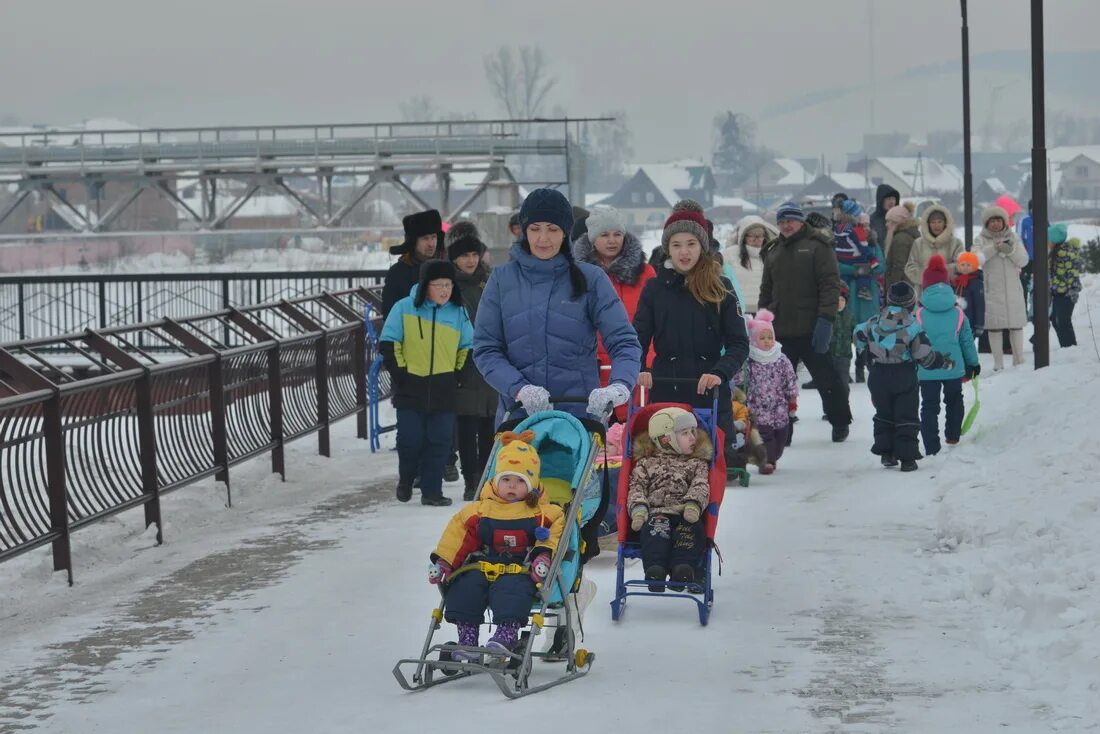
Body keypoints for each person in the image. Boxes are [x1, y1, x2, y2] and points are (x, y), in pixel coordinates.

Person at [473, 188, 640, 570]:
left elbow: (624, 342)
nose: (543, 238)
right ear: (523, 231)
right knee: (513, 507)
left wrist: (618, 386)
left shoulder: (590, 279)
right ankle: (510, 591)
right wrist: (519, 387)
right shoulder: (502, 281)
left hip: (576, 418)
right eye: (535, 228)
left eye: (553, 229)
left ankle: (564, 587)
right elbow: (485, 349)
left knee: (566, 510)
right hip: (520, 420)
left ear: (566, 233)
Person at [633, 199, 750, 476]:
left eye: (691, 244)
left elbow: (739, 343)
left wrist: (719, 373)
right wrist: (640, 369)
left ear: (702, 246)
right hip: (665, 390)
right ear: (667, 248)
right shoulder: (654, 288)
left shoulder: (721, 286)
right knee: (664, 472)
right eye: (676, 245)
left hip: (708, 392)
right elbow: (637, 338)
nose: (684, 252)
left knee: (706, 478)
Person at [428, 431, 564, 659]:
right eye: (506, 480)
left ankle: (506, 634)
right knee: (463, 586)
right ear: (496, 480)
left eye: (521, 481)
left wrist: (542, 557)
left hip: (520, 567)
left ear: (532, 485)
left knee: (512, 591)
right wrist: (444, 562)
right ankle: (467, 638)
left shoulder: (544, 513)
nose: (512, 486)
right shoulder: (480, 510)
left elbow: (551, 536)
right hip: (482, 564)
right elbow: (457, 536)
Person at [379, 260, 474, 506]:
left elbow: (468, 347)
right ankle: (407, 479)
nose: (445, 290)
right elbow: (389, 342)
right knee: (410, 440)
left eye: (449, 284)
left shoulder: (458, 312)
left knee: (440, 442)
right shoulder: (404, 308)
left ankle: (432, 491)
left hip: (444, 387)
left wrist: (457, 375)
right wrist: (401, 373)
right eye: (439, 284)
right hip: (410, 386)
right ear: (425, 286)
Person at [758, 201, 852, 442]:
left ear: (801, 221)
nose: (786, 225)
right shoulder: (773, 251)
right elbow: (766, 289)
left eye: (790, 220)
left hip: (812, 327)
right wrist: (761, 321)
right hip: (780, 330)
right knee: (778, 386)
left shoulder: (818, 247)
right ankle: (782, 429)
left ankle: (840, 421)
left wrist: (826, 319)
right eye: (781, 221)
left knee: (827, 380)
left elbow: (830, 285)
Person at [855, 281, 953, 472]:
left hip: (878, 375)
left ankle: (886, 453)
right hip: (903, 375)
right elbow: (924, 356)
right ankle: (907, 458)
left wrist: (868, 351)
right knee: (906, 415)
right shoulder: (914, 327)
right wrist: (941, 361)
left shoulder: (873, 322)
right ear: (911, 303)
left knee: (883, 413)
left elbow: (858, 334)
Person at [572, 207, 657, 405]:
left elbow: (656, 320)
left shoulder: (645, 273)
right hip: (592, 367)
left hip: (634, 365)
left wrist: (649, 362)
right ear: (593, 239)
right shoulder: (577, 275)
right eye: (605, 234)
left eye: (617, 234)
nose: (612, 240)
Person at [627, 407, 711, 591]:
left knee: (690, 532)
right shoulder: (646, 463)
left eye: (693, 432)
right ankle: (655, 569)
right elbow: (637, 486)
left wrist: (693, 504)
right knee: (655, 532)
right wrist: (639, 508)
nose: (692, 438)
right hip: (656, 512)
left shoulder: (696, 463)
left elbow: (700, 484)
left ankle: (682, 568)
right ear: (666, 439)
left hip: (685, 512)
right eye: (685, 433)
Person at [448, 231, 499, 501]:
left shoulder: (489, 282)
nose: (470, 260)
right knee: (466, 428)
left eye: (473, 254)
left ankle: (487, 478)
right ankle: (471, 480)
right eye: (463, 256)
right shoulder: (450, 287)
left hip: (490, 361)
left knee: (490, 428)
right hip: (464, 363)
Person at [915, 255, 981, 456]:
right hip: (953, 368)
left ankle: (931, 446)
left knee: (929, 405)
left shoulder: (918, 314)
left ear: (925, 287)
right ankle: (952, 435)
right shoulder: (958, 313)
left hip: (926, 368)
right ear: (946, 283)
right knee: (954, 400)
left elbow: (912, 342)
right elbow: (966, 342)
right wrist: (973, 363)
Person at [741, 310, 798, 475]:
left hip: (779, 406)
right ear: (754, 339)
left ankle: (774, 456)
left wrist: (792, 398)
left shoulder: (781, 358)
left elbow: (790, 379)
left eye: (770, 337)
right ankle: (767, 461)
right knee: (764, 436)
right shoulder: (750, 360)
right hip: (758, 407)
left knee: (781, 437)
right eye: (762, 338)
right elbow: (741, 379)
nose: (767, 342)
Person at [976, 205, 1029, 370]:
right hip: (992, 290)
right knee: (995, 327)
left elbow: (1023, 260)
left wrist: (1010, 250)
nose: (995, 224)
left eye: (998, 220)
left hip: (1013, 289)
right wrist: (994, 248)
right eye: (992, 221)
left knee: (1016, 325)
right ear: (987, 223)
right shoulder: (981, 239)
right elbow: (976, 260)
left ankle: (1019, 360)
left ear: (1004, 222)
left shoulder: (1014, 238)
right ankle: (998, 363)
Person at [381, 209, 445, 319]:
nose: (431, 244)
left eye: (434, 237)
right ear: (413, 241)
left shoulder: (447, 268)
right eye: (425, 238)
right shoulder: (397, 273)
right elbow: (390, 313)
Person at [723, 215, 779, 313]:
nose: (756, 239)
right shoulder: (730, 254)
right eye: (752, 235)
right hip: (737, 310)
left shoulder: (773, 255)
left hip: (766, 313)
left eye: (760, 235)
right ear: (744, 237)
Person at [905, 204, 965, 293]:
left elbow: (962, 266)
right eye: (933, 222)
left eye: (939, 221)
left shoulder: (955, 243)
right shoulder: (918, 243)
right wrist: (928, 277)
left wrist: (939, 273)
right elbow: (910, 267)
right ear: (927, 224)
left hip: (948, 291)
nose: (936, 225)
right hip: (924, 293)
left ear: (945, 223)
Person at [1048, 223, 1083, 348]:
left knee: (1063, 321)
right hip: (1059, 292)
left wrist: (1055, 285)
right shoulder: (1056, 253)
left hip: (1067, 293)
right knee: (1055, 320)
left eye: (1049, 239)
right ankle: (1066, 346)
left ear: (1055, 240)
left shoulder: (1064, 254)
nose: (1047, 242)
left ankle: (1070, 347)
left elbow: (1069, 275)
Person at [883, 202, 919, 290]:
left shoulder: (900, 239)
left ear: (898, 222)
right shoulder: (908, 234)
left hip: (901, 288)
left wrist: (893, 288)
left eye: (890, 221)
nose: (886, 224)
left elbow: (899, 267)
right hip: (909, 284)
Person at [953, 251, 985, 344]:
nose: (965, 268)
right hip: (955, 322)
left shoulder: (977, 283)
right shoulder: (956, 281)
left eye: (968, 265)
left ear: (974, 266)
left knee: (967, 345)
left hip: (970, 322)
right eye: (962, 265)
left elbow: (980, 305)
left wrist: (979, 324)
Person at [830, 285, 855, 387]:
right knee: (831, 384)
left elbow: (855, 333)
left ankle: (845, 401)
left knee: (843, 384)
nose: (839, 303)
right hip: (830, 354)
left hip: (845, 355)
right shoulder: (829, 316)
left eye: (842, 300)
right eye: (837, 300)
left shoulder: (850, 316)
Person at [1017, 200, 1035, 317]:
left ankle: (1036, 310)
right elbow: (1018, 238)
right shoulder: (1024, 220)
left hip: (1041, 260)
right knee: (1023, 285)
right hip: (1026, 260)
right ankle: (1023, 311)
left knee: (1038, 286)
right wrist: (1023, 256)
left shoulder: (1045, 220)